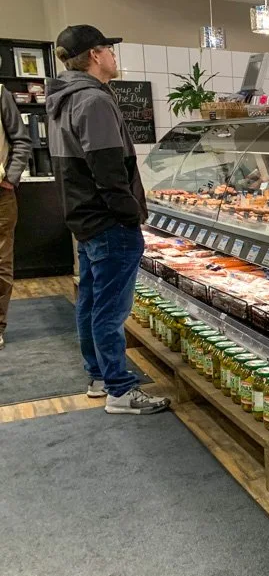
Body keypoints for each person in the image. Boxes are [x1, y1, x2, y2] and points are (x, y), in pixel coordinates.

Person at [46, 25, 169, 415]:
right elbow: (108, 170)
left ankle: (99, 376)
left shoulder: (63, 98)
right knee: (110, 310)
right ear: (96, 55)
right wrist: (131, 215)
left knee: (91, 301)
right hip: (109, 222)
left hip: (86, 220)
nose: (115, 57)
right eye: (110, 50)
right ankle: (120, 389)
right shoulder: (93, 100)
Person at [0, 82, 33, 349]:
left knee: (0, 263)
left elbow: (21, 140)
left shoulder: (1, 93)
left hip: (0, 195)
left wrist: (10, 179)